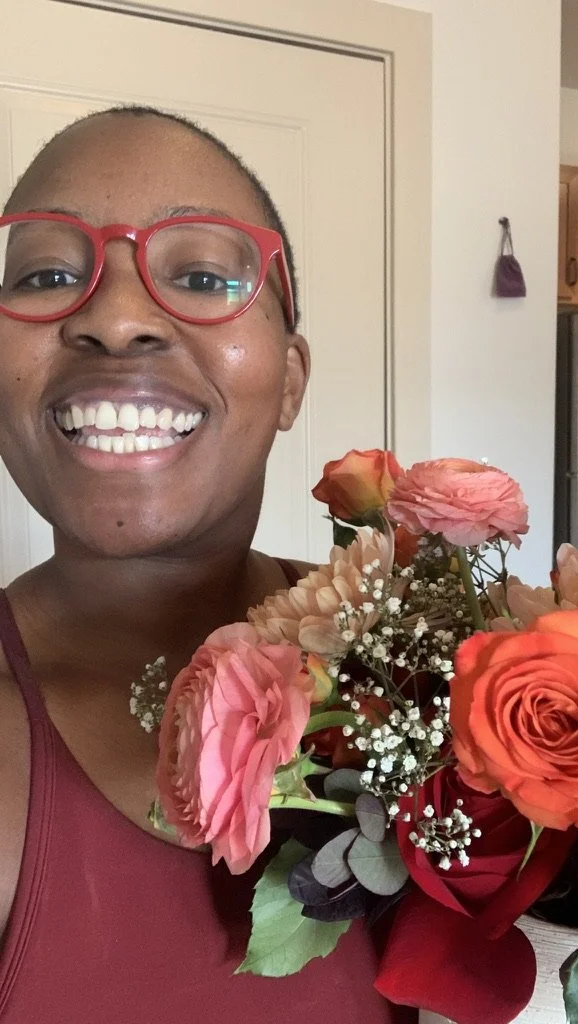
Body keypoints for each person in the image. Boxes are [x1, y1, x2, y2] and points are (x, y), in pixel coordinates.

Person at [0, 107, 412, 1022]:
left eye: (198, 274)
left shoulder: (437, 670)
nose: (112, 320)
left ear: (292, 381)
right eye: (48, 275)